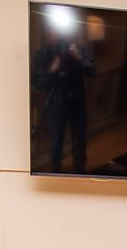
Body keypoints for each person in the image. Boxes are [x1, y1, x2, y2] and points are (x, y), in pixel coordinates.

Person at [32, 35, 95, 174]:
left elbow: (91, 70)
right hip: (56, 105)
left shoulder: (78, 48)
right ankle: (55, 170)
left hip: (77, 104)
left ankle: (80, 171)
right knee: (56, 143)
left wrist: (79, 57)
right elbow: (37, 82)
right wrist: (52, 69)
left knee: (79, 141)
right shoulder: (44, 53)